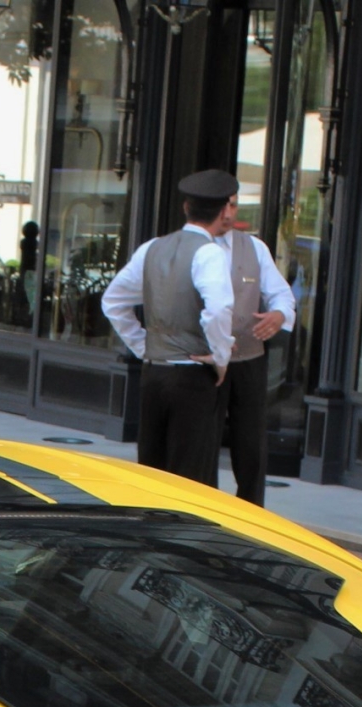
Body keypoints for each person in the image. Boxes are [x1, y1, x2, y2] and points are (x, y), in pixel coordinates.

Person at [101, 169, 240, 489]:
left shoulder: (151, 248)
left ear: (186, 208)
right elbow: (218, 310)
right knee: (191, 477)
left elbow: (113, 301)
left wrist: (143, 345)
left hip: (154, 375)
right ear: (224, 211)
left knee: (152, 472)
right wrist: (220, 358)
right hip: (191, 376)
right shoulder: (210, 254)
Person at [219, 213, 296, 505]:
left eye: (234, 206)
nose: (228, 213)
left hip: (248, 358)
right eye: (223, 206)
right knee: (200, 443)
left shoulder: (255, 248)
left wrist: (278, 315)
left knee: (250, 444)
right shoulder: (188, 247)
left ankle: (251, 510)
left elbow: (282, 296)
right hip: (201, 361)